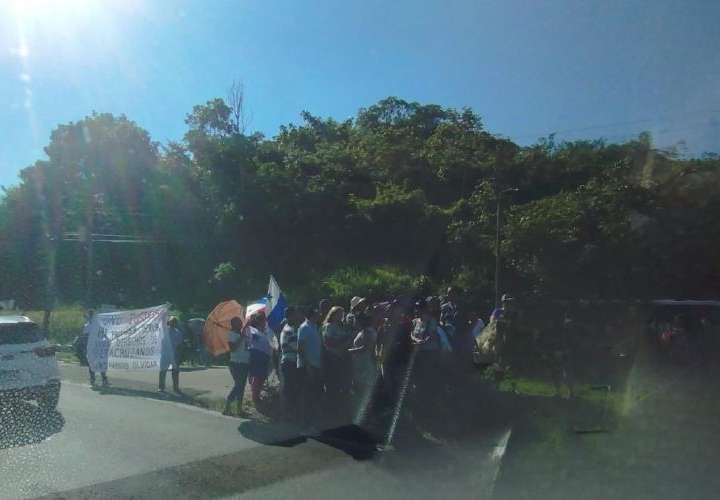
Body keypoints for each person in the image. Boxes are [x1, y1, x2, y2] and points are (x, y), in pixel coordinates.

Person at [323, 305, 353, 420]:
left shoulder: (342, 326)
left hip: (342, 358)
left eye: (342, 314)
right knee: (332, 386)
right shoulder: (329, 326)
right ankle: (330, 411)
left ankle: (338, 410)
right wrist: (343, 341)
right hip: (332, 358)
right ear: (333, 314)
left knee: (341, 385)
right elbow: (328, 342)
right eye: (338, 314)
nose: (341, 316)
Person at [348, 312, 378, 425]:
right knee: (360, 391)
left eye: (356, 320)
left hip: (366, 364)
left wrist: (350, 351)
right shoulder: (363, 331)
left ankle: (368, 418)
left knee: (364, 391)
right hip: (360, 364)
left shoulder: (368, 332)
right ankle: (365, 417)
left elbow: (366, 348)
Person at [297, 307, 323, 430]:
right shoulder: (304, 327)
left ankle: (311, 423)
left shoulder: (314, 327)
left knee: (313, 395)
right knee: (307, 396)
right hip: (307, 366)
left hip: (316, 365)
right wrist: (307, 365)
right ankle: (305, 425)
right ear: (312, 315)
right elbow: (300, 348)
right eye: (317, 314)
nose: (319, 315)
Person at [247, 310, 275, 406]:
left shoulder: (266, 330)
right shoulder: (252, 330)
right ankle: (255, 397)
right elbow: (252, 339)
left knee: (262, 377)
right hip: (257, 354)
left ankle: (257, 395)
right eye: (261, 319)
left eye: (263, 319)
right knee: (257, 377)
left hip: (265, 356)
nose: (263, 321)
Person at [279, 306, 303, 420]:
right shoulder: (288, 330)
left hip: (291, 362)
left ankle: (289, 413)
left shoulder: (291, 328)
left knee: (292, 388)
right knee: (289, 389)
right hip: (290, 362)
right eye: (295, 314)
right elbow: (296, 347)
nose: (297, 316)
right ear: (290, 316)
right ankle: (287, 414)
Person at [224, 316, 250, 415]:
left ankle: (239, 409)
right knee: (238, 385)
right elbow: (233, 348)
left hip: (245, 362)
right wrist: (242, 336)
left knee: (241, 386)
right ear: (233, 324)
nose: (241, 324)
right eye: (238, 322)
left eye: (240, 322)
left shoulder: (242, 333)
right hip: (236, 363)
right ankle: (228, 405)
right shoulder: (231, 334)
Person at [83, 309, 109, 387]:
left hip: (94, 346)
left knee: (92, 362)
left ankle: (94, 379)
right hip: (98, 346)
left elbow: (85, 333)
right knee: (98, 362)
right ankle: (102, 379)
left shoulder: (90, 325)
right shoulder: (99, 324)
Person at [159, 316, 184, 393]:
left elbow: (180, 344)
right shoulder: (163, 331)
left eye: (174, 322)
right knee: (163, 371)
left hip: (174, 354)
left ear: (175, 323)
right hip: (165, 354)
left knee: (175, 371)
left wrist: (178, 355)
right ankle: (161, 387)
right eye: (171, 322)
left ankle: (175, 388)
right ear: (168, 322)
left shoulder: (178, 332)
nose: (172, 323)